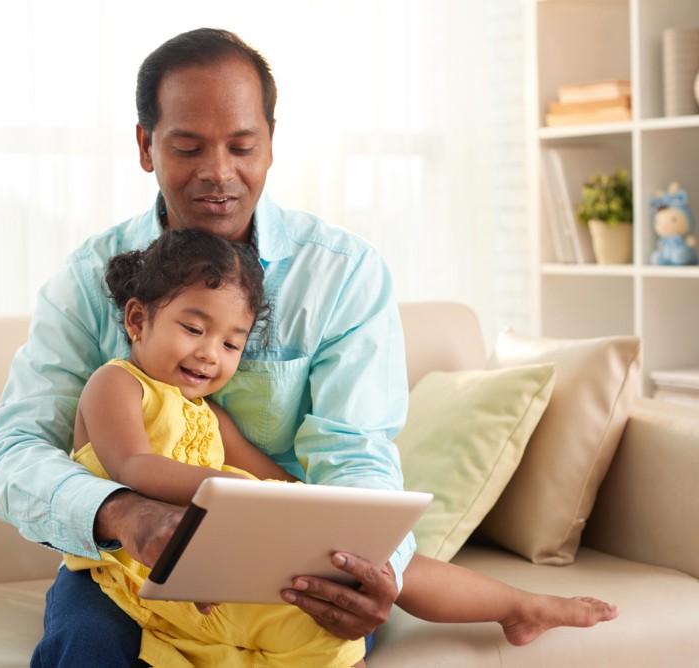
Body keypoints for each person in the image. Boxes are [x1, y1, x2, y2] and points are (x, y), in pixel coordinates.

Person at [0, 28, 610, 666]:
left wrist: (368, 559)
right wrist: (122, 513)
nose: (219, 173)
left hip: (289, 562)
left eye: (243, 146)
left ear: (272, 144)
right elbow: (10, 452)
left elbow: (354, 454)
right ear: (146, 145)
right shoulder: (88, 281)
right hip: (130, 563)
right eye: (188, 147)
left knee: (331, 633)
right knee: (87, 648)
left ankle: (513, 606)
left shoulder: (343, 274)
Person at [62, 227, 617, 667]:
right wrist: (224, 488)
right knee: (310, 625)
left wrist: (325, 518)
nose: (211, 354)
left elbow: (280, 484)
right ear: (138, 319)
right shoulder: (116, 384)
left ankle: (521, 607)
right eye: (193, 328)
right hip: (147, 562)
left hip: (227, 543)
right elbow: (132, 466)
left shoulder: (210, 414)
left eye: (231, 342)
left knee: (370, 563)